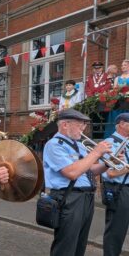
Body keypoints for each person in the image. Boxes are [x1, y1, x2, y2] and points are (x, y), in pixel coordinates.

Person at [43, 108, 112, 256]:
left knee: (80, 245)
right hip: (69, 198)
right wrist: (96, 152)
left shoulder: (79, 144)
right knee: (66, 246)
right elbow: (72, 173)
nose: (83, 128)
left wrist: (107, 164)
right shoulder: (54, 144)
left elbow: (90, 170)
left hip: (86, 198)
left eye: (84, 125)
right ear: (65, 125)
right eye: (80, 124)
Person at [102, 113, 129, 256]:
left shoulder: (127, 142)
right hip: (118, 190)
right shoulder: (110, 143)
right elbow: (109, 173)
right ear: (121, 124)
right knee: (115, 231)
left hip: (125, 189)